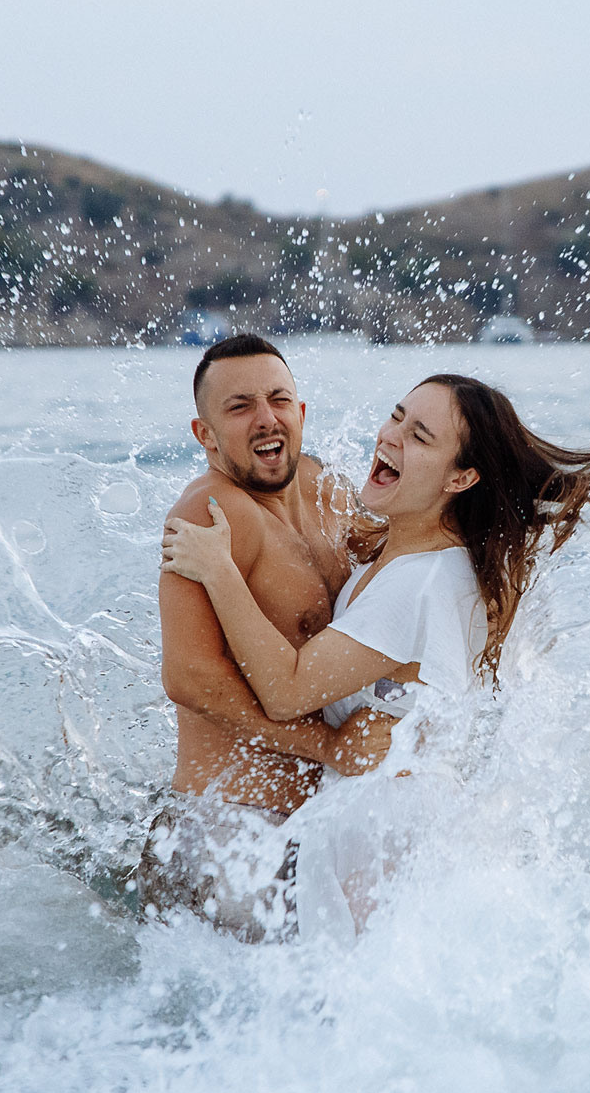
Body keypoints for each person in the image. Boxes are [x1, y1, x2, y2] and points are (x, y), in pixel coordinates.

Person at [160, 372, 590, 931]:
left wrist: (219, 571)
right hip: (398, 821)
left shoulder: (421, 582)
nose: (391, 437)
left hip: (385, 825)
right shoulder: (401, 553)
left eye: (420, 436)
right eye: (396, 416)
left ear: (461, 476)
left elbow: (288, 690)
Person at [137, 334, 400, 941]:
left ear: (300, 413)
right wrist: (331, 745)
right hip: (228, 827)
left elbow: (398, 582)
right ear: (204, 435)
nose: (265, 418)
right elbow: (190, 678)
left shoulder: (327, 491)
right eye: (239, 407)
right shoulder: (207, 516)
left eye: (278, 399)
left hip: (316, 818)